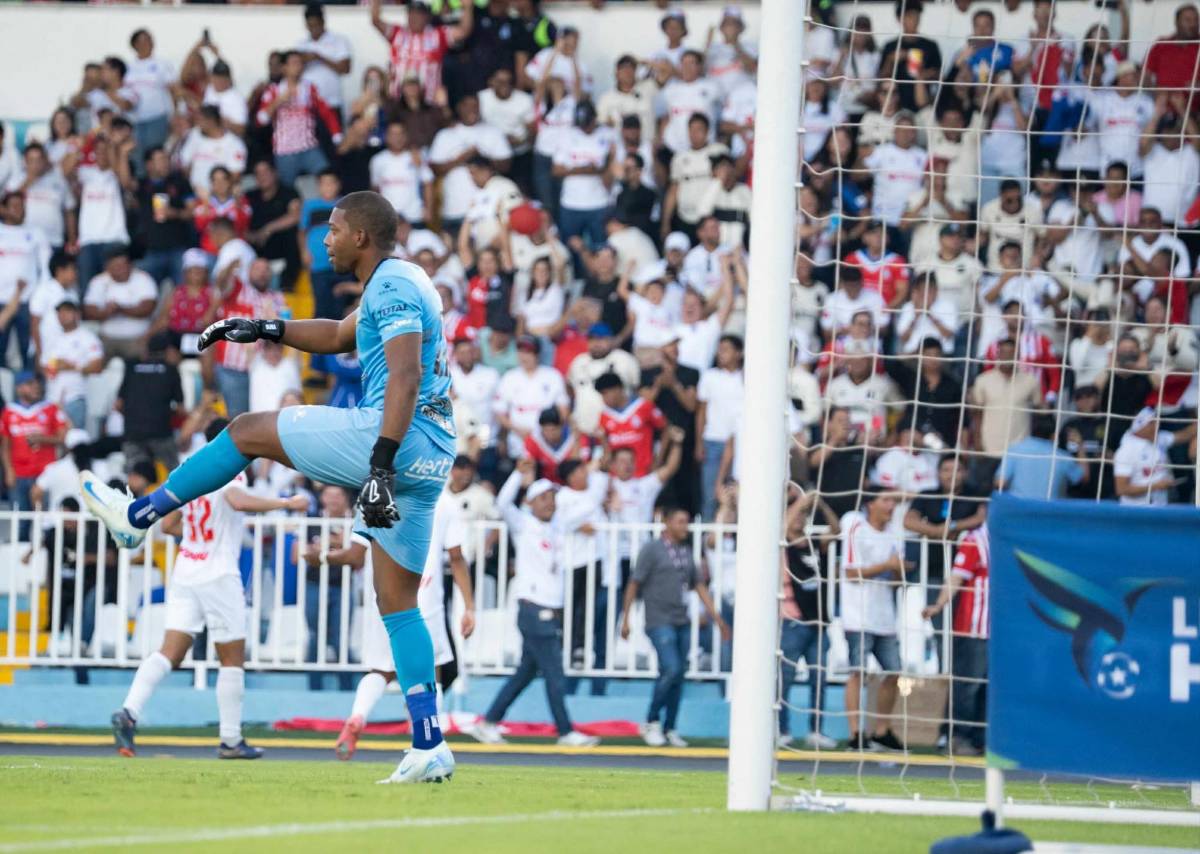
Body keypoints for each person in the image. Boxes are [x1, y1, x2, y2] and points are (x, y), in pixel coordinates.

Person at [80, 191, 458, 785]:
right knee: (398, 603)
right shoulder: (401, 280)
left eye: (333, 230)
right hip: (432, 455)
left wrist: (379, 467)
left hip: (392, 438)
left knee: (247, 429)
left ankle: (140, 516)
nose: (324, 239)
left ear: (361, 236)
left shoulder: (390, 286)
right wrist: (265, 327)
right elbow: (336, 334)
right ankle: (429, 743)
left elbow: (405, 375)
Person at [110, 418, 308, 760]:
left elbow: (169, 522)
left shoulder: (192, 470)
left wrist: (197, 534)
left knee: (168, 653)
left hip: (186, 569)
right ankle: (230, 740)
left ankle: (129, 711)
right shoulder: (230, 467)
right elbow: (238, 500)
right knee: (231, 659)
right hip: (218, 573)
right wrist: (285, 503)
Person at [335, 486, 476, 760]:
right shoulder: (443, 499)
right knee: (429, 671)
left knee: (380, 670)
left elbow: (354, 555)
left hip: (384, 596)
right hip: (424, 594)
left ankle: (357, 717)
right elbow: (456, 557)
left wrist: (321, 556)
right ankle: (425, 744)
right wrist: (469, 606)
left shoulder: (375, 493)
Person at [465, 463, 600, 748]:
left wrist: (571, 484)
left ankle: (489, 721)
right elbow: (502, 503)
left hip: (551, 608)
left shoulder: (559, 525)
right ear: (530, 502)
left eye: (552, 498)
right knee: (554, 671)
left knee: (525, 674)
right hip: (533, 606)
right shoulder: (523, 523)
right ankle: (565, 731)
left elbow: (590, 505)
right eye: (543, 498)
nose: (549, 503)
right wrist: (518, 474)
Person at [622, 505, 728, 749]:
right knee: (671, 668)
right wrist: (626, 618)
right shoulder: (652, 550)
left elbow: (698, 585)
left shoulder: (685, 551)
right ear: (667, 523)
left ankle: (670, 727)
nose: (685, 527)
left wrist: (716, 617)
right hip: (659, 619)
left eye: (686, 522)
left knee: (677, 675)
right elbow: (634, 583)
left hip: (680, 620)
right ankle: (651, 721)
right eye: (680, 522)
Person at [841, 489, 907, 752]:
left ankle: (881, 731)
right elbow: (850, 572)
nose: (891, 505)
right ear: (870, 503)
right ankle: (855, 734)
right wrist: (886, 565)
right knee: (858, 672)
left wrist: (898, 571)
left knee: (894, 672)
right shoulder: (854, 525)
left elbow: (896, 577)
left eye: (893, 500)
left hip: (885, 616)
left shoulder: (895, 533)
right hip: (857, 615)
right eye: (886, 499)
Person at [922, 523, 990, 756]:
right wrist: (939, 604)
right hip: (972, 627)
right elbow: (956, 578)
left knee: (988, 686)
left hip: (998, 630)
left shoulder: (1008, 540)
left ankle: (981, 738)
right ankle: (957, 736)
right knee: (967, 684)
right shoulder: (975, 540)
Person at [254, 51, 343, 187]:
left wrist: (336, 133)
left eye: (300, 63)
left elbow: (326, 112)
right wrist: (278, 101)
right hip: (285, 151)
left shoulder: (309, 88)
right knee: (286, 189)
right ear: (284, 68)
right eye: (294, 63)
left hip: (309, 147)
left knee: (328, 177)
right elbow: (261, 119)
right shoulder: (274, 90)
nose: (298, 67)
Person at [372, 0, 473, 103]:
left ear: (427, 17)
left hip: (428, 105)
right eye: (411, 13)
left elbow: (463, 31)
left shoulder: (437, 35)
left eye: (418, 14)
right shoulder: (397, 33)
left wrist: (467, 7)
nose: (414, 17)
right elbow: (375, 20)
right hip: (398, 104)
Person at [2, 371, 68, 515]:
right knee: (19, 521)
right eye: (30, 384)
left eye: (37, 383)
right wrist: (8, 470)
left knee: (42, 519)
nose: (36, 387)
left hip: (43, 473)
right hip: (18, 473)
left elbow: (64, 437)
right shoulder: (9, 411)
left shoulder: (50, 408)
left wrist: (43, 439)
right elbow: (5, 445)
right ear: (18, 388)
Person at [81, 245, 158, 362]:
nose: (120, 269)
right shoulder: (98, 281)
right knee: (92, 360)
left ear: (130, 265)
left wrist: (120, 309)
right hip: (106, 339)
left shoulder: (143, 279)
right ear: (107, 267)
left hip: (136, 339)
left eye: (123, 265)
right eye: (116, 266)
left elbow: (148, 308)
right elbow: (88, 311)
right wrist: (107, 312)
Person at [39, 297, 103, 429]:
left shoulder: (87, 337)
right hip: (52, 399)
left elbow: (97, 366)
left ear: (77, 314)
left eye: (67, 312)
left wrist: (72, 366)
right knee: (54, 442)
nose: (63, 316)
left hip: (75, 397)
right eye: (60, 313)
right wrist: (53, 367)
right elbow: (44, 366)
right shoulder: (53, 339)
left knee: (73, 439)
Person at [1112, 407, 1196, 507]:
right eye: (1152, 423)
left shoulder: (1160, 438)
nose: (1157, 426)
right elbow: (1121, 489)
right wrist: (1155, 486)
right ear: (1141, 426)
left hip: (1160, 506)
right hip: (1136, 509)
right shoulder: (1126, 451)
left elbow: (1183, 435)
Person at [995, 413, 1088, 500]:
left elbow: (1000, 483)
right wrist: (1080, 447)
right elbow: (1083, 477)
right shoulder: (1061, 457)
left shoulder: (1015, 450)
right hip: (1047, 512)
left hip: (1019, 510)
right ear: (1054, 435)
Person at [297, 3, 353, 116]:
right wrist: (303, 61)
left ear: (323, 22)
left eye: (316, 25)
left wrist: (320, 58)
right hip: (308, 104)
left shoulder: (339, 41)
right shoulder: (300, 45)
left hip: (332, 102)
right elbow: (293, 73)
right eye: (310, 26)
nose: (313, 29)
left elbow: (346, 69)